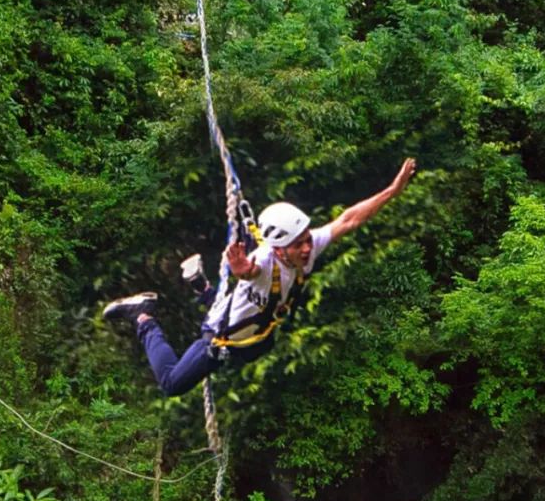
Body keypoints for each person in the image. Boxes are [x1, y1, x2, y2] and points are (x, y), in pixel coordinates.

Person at [104, 158, 417, 396]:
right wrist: (242, 270)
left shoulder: (307, 246)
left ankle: (200, 285)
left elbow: (349, 219)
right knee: (172, 384)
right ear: (279, 249)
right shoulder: (264, 260)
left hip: (256, 336)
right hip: (220, 337)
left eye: (308, 239)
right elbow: (251, 270)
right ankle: (143, 316)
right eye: (299, 245)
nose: (308, 249)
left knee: (241, 320)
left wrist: (393, 190)